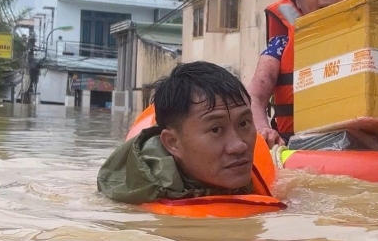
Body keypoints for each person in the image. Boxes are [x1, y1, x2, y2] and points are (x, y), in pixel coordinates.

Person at [98, 61, 273, 204]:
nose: (239, 146)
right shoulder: (135, 200)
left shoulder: (248, 163)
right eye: (216, 129)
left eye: (243, 123)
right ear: (173, 142)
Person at [250, 0, 353, 146]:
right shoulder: (280, 46)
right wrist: (264, 130)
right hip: (296, 149)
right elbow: (254, 97)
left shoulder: (365, 39)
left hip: (358, 147)